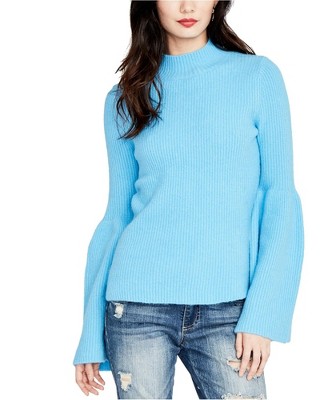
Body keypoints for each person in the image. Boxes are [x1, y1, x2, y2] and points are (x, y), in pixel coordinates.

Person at [73, 1, 304, 399]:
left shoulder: (257, 77)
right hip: (136, 305)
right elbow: (116, 216)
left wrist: (264, 314)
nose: (187, 6)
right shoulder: (126, 97)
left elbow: (280, 198)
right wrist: (90, 334)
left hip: (228, 307)